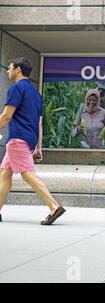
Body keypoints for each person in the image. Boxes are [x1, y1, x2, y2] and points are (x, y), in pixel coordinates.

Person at [0, 57, 65, 225]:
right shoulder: (36, 94)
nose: (8, 70)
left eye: (10, 67)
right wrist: (38, 148)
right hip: (28, 139)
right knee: (4, 173)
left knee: (27, 174)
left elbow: (7, 116)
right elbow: (39, 123)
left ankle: (54, 206)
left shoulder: (16, 89)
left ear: (18, 70)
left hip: (18, 138)